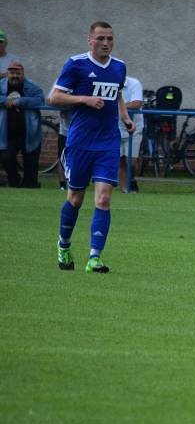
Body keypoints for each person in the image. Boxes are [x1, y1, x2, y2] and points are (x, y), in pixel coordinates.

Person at [49, 21, 134, 274]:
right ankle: (63, 245)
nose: (106, 43)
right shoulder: (76, 64)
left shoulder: (119, 67)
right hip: (80, 142)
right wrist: (83, 99)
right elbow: (53, 97)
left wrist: (125, 117)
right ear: (90, 40)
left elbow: (117, 94)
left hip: (107, 141)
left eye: (109, 38)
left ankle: (94, 257)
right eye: (100, 39)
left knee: (104, 198)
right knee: (75, 198)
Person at [0, 60, 44, 188]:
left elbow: (40, 100)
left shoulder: (32, 86)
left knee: (31, 164)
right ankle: (14, 181)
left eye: (17, 73)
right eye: (12, 73)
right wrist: (5, 101)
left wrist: (20, 101)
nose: (14, 76)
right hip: (7, 133)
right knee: (7, 159)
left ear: (23, 74)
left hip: (30, 133)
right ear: (7, 74)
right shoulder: (1, 85)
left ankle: (30, 185)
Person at [118, 75, 144, 193]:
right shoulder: (109, 82)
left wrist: (119, 106)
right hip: (115, 127)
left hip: (134, 127)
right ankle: (125, 190)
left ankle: (132, 179)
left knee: (131, 161)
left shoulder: (134, 83)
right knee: (119, 160)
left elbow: (137, 103)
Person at [46, 84, 72, 191]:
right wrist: (64, 106)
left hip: (84, 129)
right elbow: (50, 99)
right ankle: (62, 184)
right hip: (65, 129)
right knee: (62, 156)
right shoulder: (62, 80)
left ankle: (76, 182)